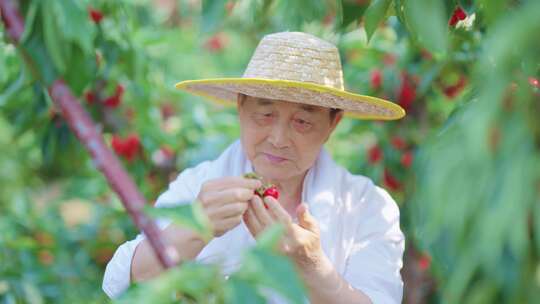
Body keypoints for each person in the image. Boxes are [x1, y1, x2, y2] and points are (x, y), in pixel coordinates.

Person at [103, 31, 406, 303]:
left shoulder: (368, 207)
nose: (278, 139)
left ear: (332, 124)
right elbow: (121, 285)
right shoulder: (199, 185)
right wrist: (193, 228)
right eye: (264, 115)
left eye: (303, 121)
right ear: (241, 107)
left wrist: (311, 266)